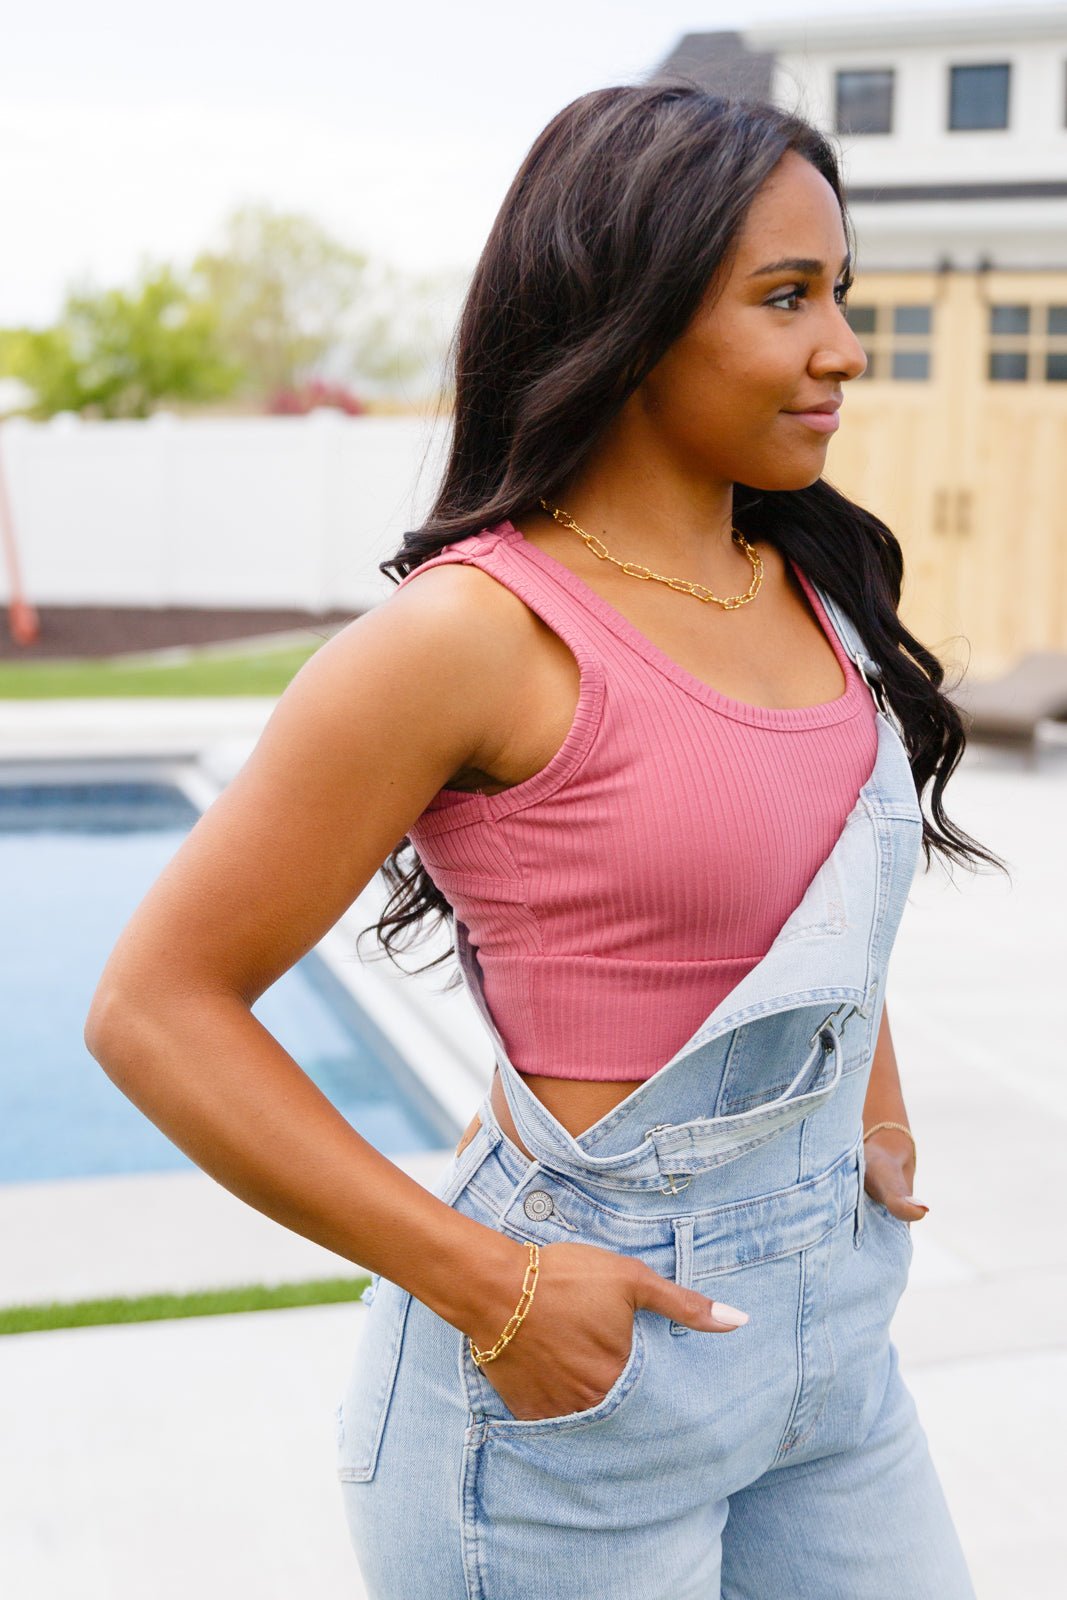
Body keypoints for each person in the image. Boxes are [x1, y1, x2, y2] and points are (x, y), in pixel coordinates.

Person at [85, 83, 1004, 1599]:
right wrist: (491, 1289)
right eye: (788, 298)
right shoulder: (471, 635)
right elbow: (152, 1009)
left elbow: (822, 890)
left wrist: (869, 1113)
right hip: (572, 1395)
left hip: (832, 1359)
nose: (844, 345)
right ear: (631, 314)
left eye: (842, 294)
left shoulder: (809, 588)